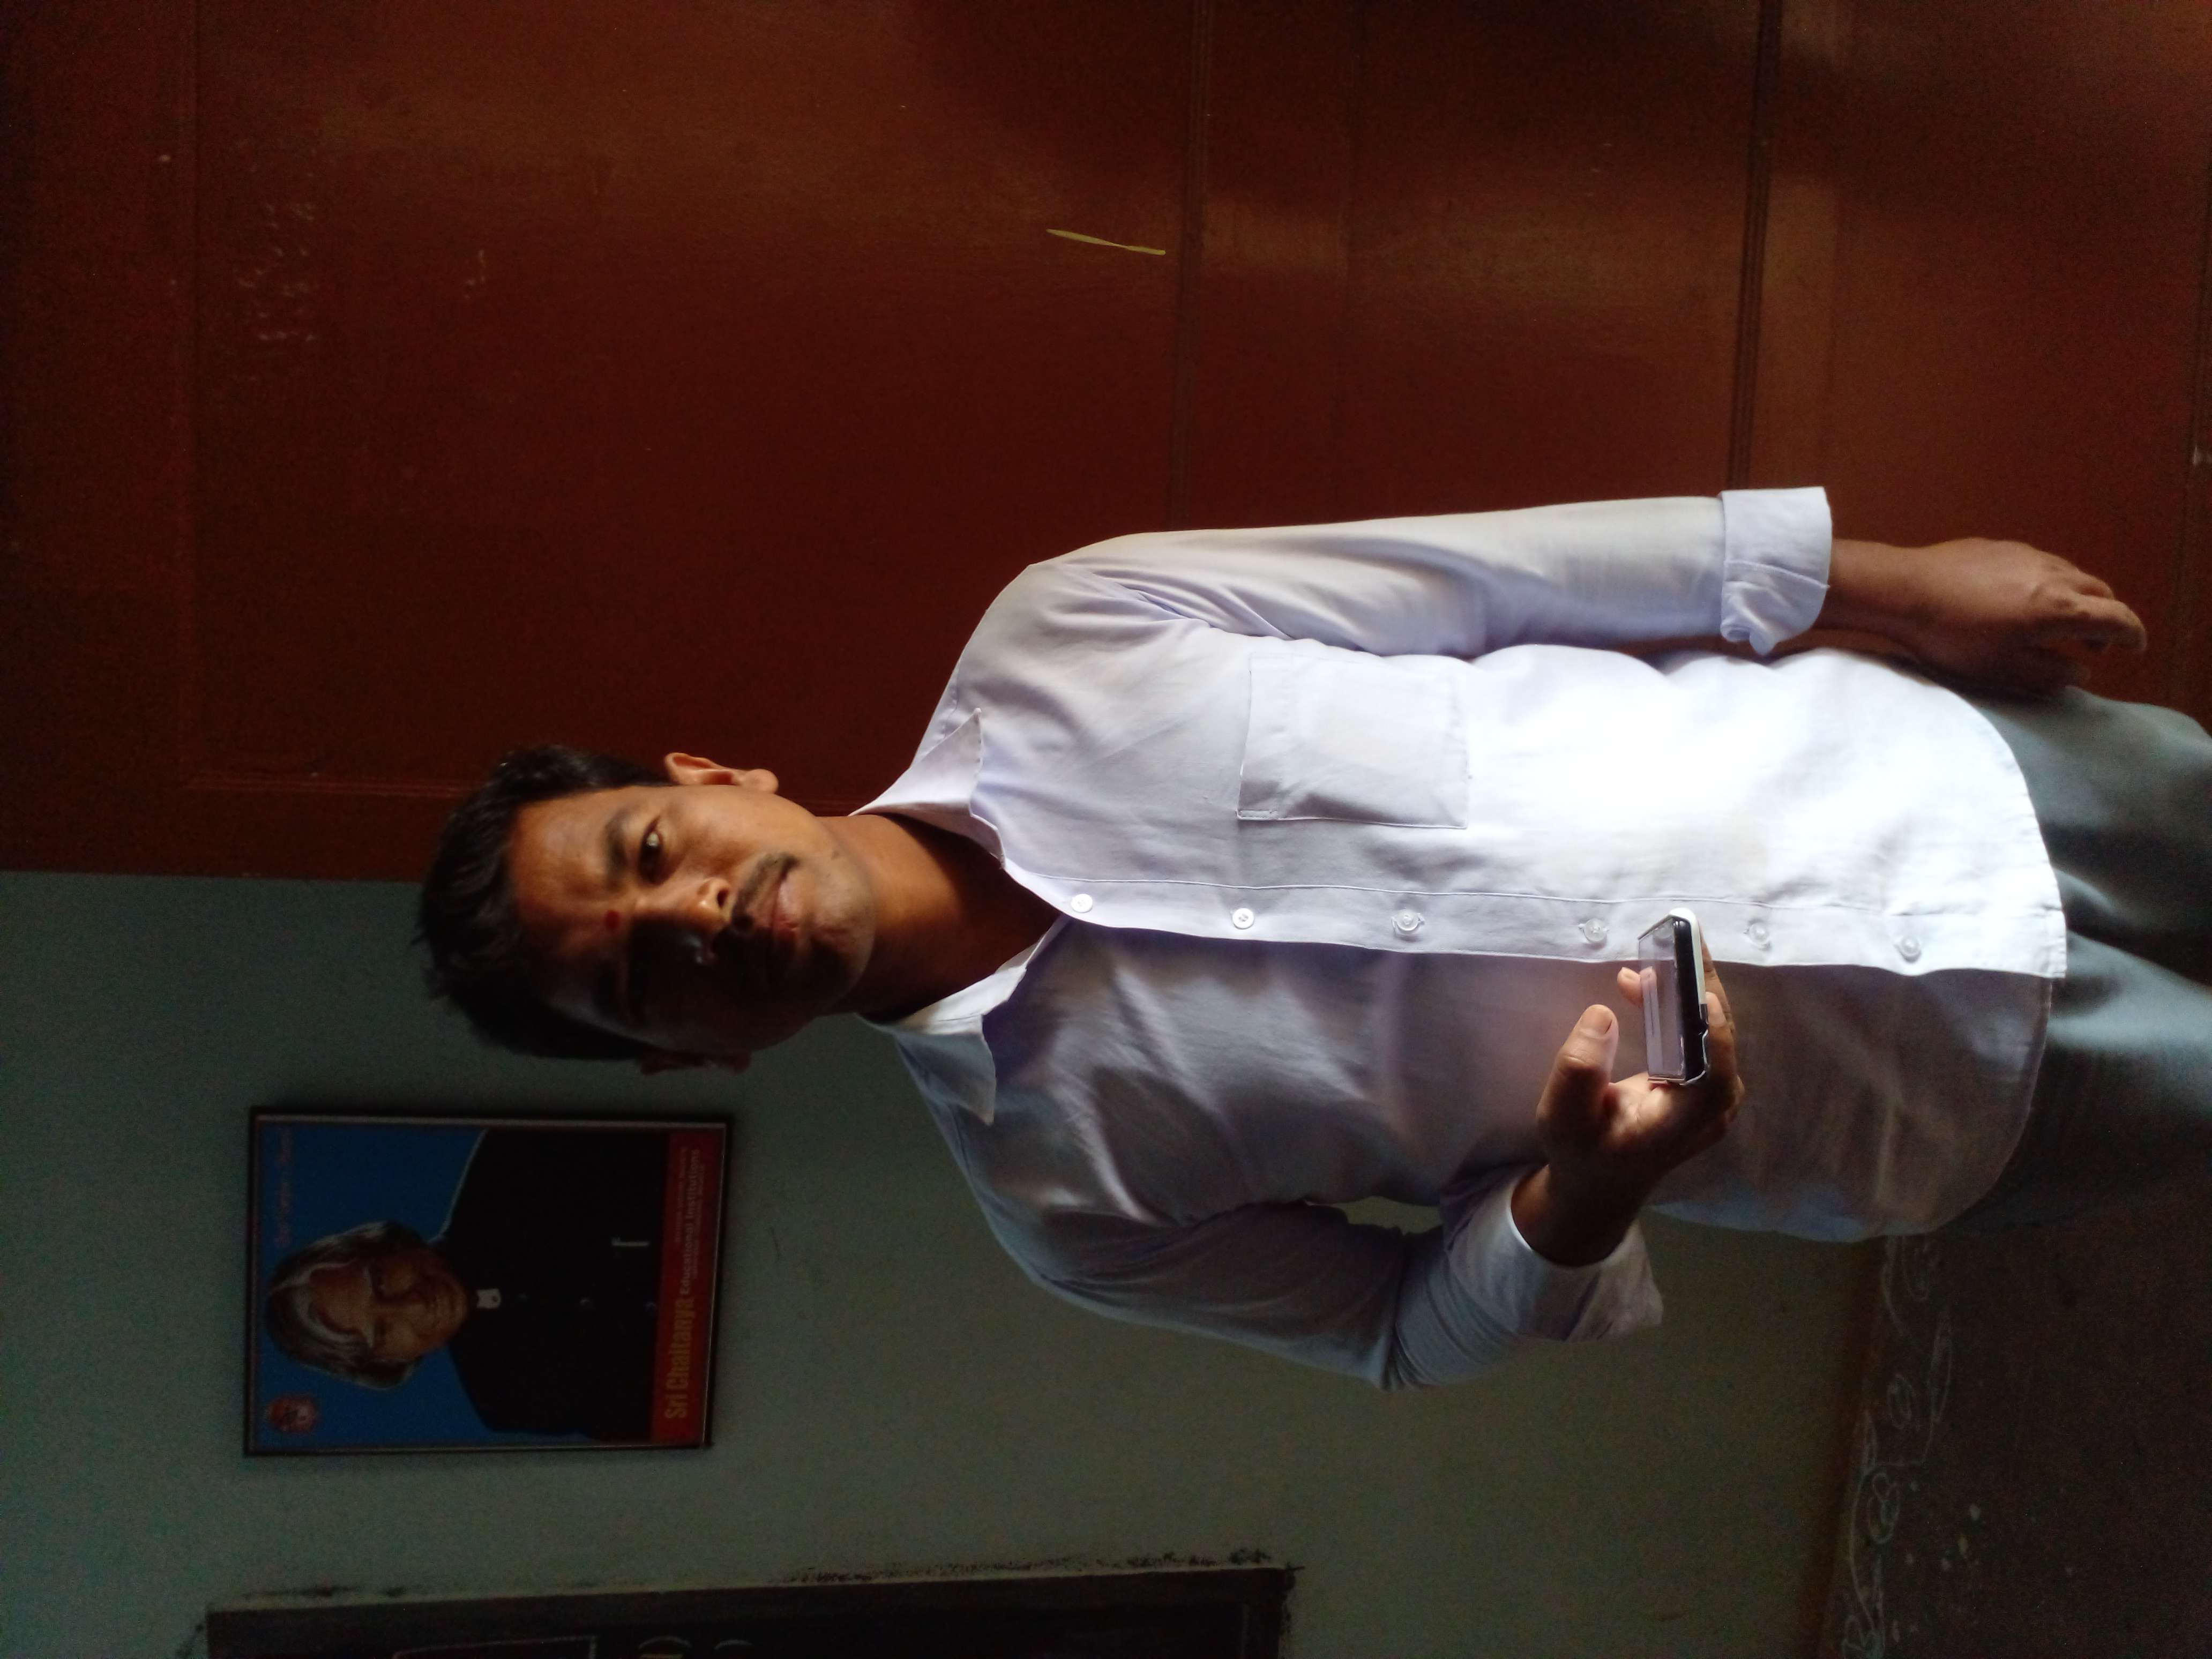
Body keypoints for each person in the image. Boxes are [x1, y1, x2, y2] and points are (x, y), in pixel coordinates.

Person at [415, 488, 2200, 1388]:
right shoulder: (1065, 1199)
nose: (695, 914)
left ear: (711, 777)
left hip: (1932, 775)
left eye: (652, 851)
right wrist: (1580, 1195)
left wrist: (1897, 579)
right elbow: (1401, 1332)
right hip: (1927, 1107)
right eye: (636, 975)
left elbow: (1505, 574)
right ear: (689, 1056)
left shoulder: (1072, 630)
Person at [264, 1127, 670, 1437]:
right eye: (383, 1331)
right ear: (388, 1363)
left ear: (388, 1245)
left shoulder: (512, 1159)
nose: (415, 1305)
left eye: (381, 1281)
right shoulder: (508, 1401)